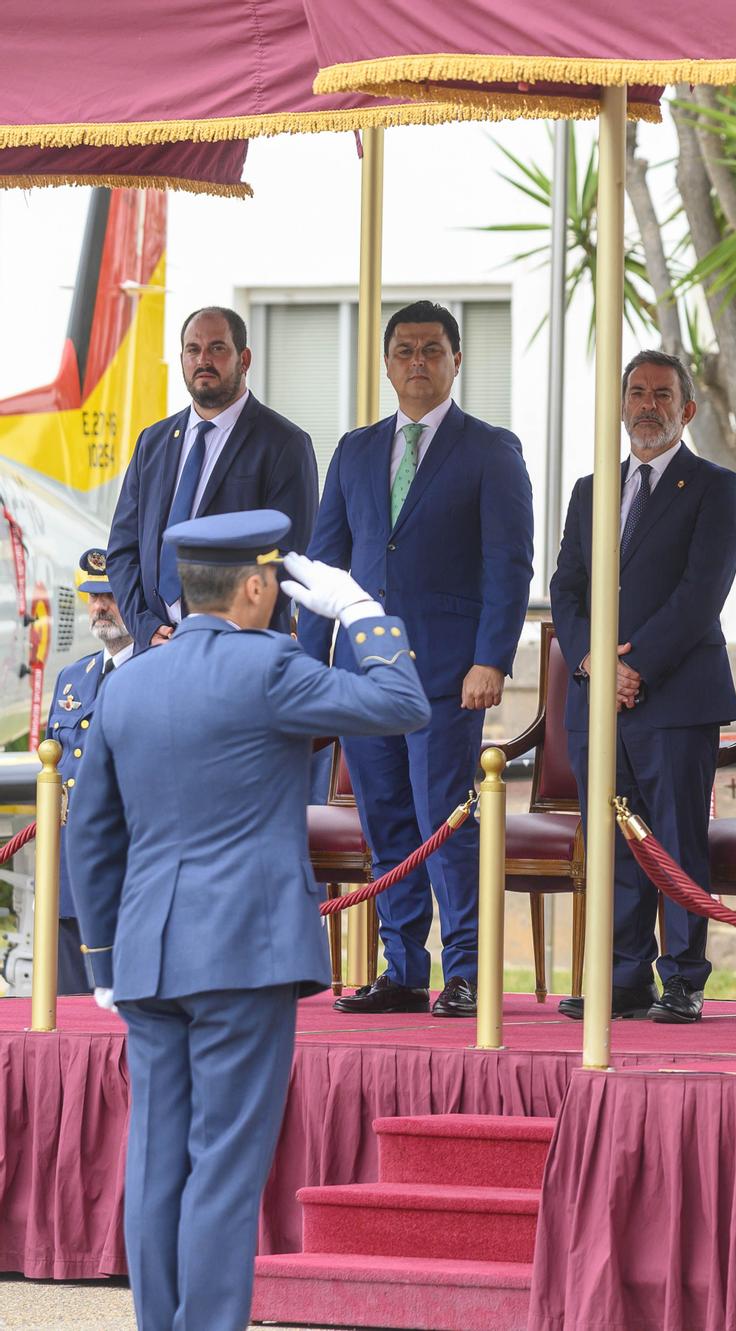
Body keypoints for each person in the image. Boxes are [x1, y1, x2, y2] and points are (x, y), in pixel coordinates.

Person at [68, 510, 428, 1331]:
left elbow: (91, 830)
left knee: (158, 1160)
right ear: (259, 586)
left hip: (149, 953)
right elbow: (402, 701)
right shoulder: (269, 669)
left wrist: (101, 959)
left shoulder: (127, 682)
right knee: (225, 1168)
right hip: (244, 953)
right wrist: (362, 611)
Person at [301, 300, 534, 1019]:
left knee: (446, 823)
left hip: (447, 675)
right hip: (364, 677)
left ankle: (465, 972)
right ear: (387, 362)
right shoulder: (356, 449)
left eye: (433, 350)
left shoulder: (491, 449)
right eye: (404, 350)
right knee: (387, 826)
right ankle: (403, 969)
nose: (418, 363)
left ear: (457, 360)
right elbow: (321, 568)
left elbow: (510, 565)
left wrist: (491, 658)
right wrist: (309, 669)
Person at [549, 350, 736, 1023]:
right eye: (636, 392)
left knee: (676, 842)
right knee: (612, 841)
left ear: (686, 409)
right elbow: (567, 588)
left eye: (663, 394)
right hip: (596, 698)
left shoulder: (716, 487)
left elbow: (701, 594)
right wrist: (596, 662)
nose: (647, 405)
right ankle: (624, 975)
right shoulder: (589, 490)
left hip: (677, 697)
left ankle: (684, 979)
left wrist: (636, 668)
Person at [106, 306, 319, 652]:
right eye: (193, 350)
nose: (203, 359)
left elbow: (291, 557)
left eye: (217, 348)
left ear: (244, 359)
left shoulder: (284, 443)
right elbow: (123, 548)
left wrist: (222, 629)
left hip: (240, 651)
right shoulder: (153, 442)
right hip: (157, 649)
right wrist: (145, 625)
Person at [40, 548, 133, 996]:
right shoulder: (72, 679)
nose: (100, 607)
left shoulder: (158, 670)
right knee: (65, 1009)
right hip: (70, 868)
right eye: (92, 596)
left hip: (127, 864)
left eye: (111, 596)